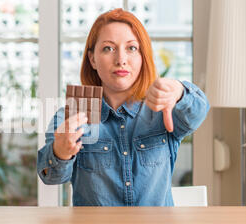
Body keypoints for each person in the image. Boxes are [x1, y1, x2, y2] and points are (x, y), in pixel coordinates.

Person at [36, 8, 210, 206]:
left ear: (142, 57)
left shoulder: (163, 109)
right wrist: (60, 151)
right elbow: (50, 177)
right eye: (108, 48)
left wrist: (179, 91)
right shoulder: (71, 117)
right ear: (92, 59)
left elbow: (199, 110)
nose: (121, 60)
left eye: (131, 48)